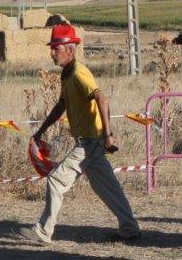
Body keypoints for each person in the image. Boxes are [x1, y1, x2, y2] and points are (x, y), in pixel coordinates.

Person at [16, 23, 141, 244]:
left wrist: (108, 135)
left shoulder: (79, 73)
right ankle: (130, 229)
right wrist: (41, 131)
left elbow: (101, 98)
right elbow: (61, 105)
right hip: (89, 143)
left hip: (89, 143)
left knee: (55, 180)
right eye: (52, 48)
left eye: (56, 48)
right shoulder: (67, 74)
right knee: (108, 187)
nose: (52, 53)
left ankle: (43, 232)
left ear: (70, 50)